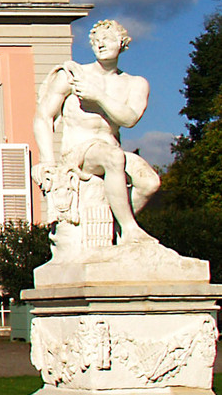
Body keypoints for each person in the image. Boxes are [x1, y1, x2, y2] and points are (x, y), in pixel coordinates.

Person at [32, 18, 159, 245]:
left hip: (110, 150)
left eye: (107, 39)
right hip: (77, 153)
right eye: (95, 41)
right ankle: (131, 230)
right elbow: (43, 116)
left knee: (150, 182)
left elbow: (129, 119)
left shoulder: (135, 83)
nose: (100, 45)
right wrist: (48, 161)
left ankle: (115, 229)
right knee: (114, 157)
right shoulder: (73, 76)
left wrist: (98, 96)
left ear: (122, 43)